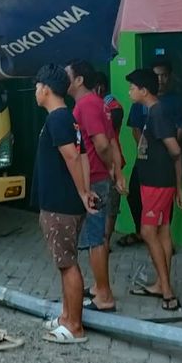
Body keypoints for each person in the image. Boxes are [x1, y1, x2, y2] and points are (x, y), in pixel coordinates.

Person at [32, 64, 97, 344]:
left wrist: (83, 192)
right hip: (64, 202)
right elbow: (82, 155)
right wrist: (85, 191)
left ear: (46, 89)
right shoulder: (66, 119)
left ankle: (75, 327)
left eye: (37, 87)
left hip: (60, 205)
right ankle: (66, 317)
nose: (35, 92)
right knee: (65, 263)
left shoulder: (58, 119)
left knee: (68, 264)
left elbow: (73, 157)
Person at [66, 60, 124, 313]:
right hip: (101, 177)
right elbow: (111, 139)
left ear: (79, 80)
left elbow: (102, 143)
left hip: (95, 180)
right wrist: (117, 170)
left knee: (95, 239)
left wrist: (110, 168)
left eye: (68, 75)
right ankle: (99, 288)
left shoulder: (87, 104)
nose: (64, 78)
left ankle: (104, 295)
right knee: (95, 237)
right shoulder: (96, 102)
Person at [125, 68, 182, 311]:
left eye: (132, 88)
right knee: (162, 232)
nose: (129, 91)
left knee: (148, 232)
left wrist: (177, 185)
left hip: (158, 184)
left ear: (144, 90)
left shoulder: (158, 113)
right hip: (155, 182)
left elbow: (176, 150)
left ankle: (167, 291)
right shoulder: (152, 112)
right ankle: (161, 284)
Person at [118, 56, 182, 247]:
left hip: (161, 168)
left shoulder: (166, 107)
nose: (160, 80)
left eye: (164, 76)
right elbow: (136, 129)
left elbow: (176, 145)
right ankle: (145, 234)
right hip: (146, 162)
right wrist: (145, 146)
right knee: (134, 194)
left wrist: (164, 145)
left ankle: (153, 241)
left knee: (155, 226)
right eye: (157, 76)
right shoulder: (143, 106)